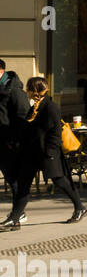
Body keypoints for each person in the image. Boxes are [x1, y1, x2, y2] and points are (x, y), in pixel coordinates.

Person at [4, 76, 87, 229]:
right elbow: (30, 129)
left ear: (34, 90)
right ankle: (14, 219)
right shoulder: (34, 106)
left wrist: (50, 152)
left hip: (47, 153)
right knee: (23, 184)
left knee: (60, 181)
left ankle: (80, 207)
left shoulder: (50, 107)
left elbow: (55, 132)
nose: (26, 91)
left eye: (29, 88)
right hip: (31, 153)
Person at [0, 61, 30, 197]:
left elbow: (23, 116)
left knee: (12, 177)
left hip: (8, 141)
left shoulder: (14, 90)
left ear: (1, 71)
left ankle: (18, 211)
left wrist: (14, 141)